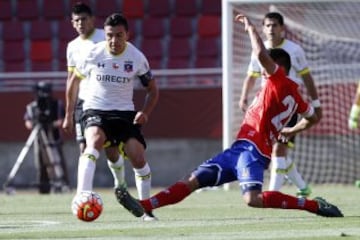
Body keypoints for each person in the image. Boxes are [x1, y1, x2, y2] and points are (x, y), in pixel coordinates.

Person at [121, 13, 343, 218]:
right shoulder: (296, 96)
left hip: (254, 150)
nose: (263, 71)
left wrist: (249, 28)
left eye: (267, 67)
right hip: (239, 148)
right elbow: (313, 118)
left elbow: (259, 53)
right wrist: (291, 130)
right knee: (192, 180)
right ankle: (145, 205)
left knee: (252, 199)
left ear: (278, 66)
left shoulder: (279, 80)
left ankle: (314, 205)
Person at [62, 13, 159, 220]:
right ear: (104, 35)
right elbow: (73, 82)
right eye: (109, 36)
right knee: (94, 141)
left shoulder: (137, 57)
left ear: (127, 35)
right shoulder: (93, 53)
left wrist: (145, 112)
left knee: (138, 156)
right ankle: (82, 195)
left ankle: (146, 210)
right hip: (95, 109)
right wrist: (69, 113)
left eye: (119, 35)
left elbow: (152, 89)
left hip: (124, 114)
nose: (114, 40)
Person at [238, 12, 322, 197]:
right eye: (267, 26)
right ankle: (303, 188)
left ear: (282, 28)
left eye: (274, 25)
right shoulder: (258, 50)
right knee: (274, 150)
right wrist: (243, 97)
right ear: (263, 28)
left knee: (279, 148)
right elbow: (251, 76)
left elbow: (306, 76)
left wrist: (315, 102)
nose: (271, 29)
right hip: (266, 107)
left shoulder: (294, 50)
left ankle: (272, 194)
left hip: (288, 107)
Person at [24, 81, 70, 193]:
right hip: (38, 139)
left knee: (57, 162)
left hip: (54, 138)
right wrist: (36, 124)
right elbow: (28, 121)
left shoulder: (56, 104)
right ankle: (43, 188)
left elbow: (62, 120)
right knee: (41, 164)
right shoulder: (32, 107)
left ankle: (62, 185)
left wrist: (51, 125)